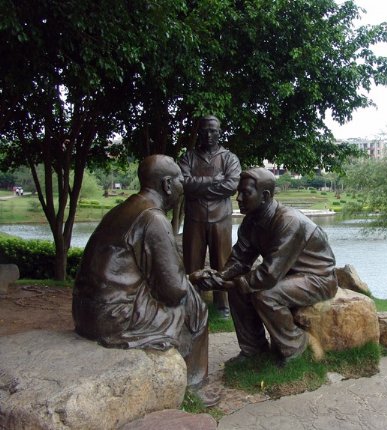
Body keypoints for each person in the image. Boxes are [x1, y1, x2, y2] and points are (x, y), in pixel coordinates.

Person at [72, 155, 218, 405]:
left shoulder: (124, 208)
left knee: (187, 292)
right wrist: (188, 284)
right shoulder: (153, 218)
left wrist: (189, 277)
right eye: (180, 181)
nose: (183, 187)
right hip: (113, 318)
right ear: (167, 185)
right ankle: (191, 387)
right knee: (194, 307)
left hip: (84, 312)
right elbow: (173, 291)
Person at [191, 167, 338, 365]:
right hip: (287, 275)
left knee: (266, 295)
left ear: (265, 196)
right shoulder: (251, 222)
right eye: (238, 192)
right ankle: (254, 349)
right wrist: (220, 276)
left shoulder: (289, 222)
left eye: (245, 193)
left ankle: (296, 346)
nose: (238, 198)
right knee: (238, 291)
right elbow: (240, 259)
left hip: (318, 278)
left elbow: (270, 274)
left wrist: (233, 284)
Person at [178, 115, 241, 319]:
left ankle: (222, 303)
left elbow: (231, 186)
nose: (209, 134)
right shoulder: (188, 157)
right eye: (205, 130)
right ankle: (192, 302)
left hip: (221, 217)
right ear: (199, 133)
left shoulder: (229, 158)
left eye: (213, 130)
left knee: (222, 262)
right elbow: (184, 183)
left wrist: (198, 186)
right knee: (192, 261)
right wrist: (214, 180)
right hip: (194, 217)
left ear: (219, 133)